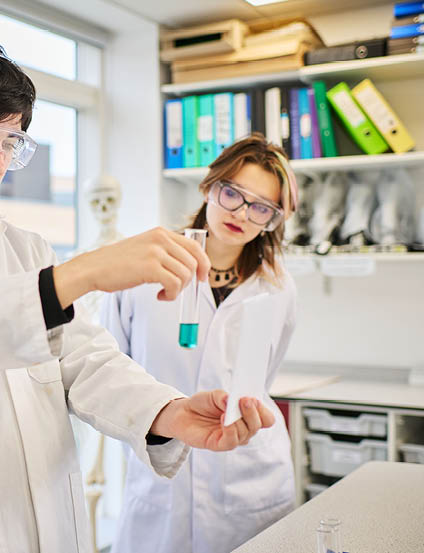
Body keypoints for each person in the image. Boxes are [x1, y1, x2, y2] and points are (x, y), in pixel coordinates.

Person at [0, 41, 277, 553]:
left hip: (52, 517)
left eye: (11, 143)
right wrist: (80, 275)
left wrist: (168, 413)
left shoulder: (26, 247)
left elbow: (85, 362)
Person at [102, 134, 299, 553]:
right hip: (162, 472)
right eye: (233, 193)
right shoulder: (143, 268)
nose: (241, 213)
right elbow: (109, 370)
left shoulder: (278, 287)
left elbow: (265, 374)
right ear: (210, 186)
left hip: (248, 474)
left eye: (261, 207)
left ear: (272, 219)